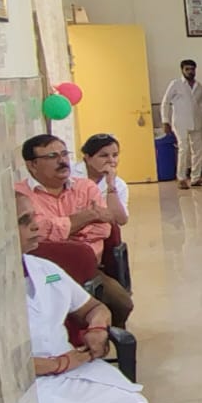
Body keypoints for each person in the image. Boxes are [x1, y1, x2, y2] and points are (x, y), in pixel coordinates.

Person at [16, 192, 190, 403]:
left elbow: (93, 307)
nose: (36, 226)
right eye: (23, 221)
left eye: (33, 216)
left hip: (71, 371)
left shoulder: (44, 270)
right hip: (21, 389)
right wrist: (58, 363)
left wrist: (96, 328)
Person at [18, 135, 133, 327]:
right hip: (44, 273)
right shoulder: (21, 196)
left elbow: (103, 229)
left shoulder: (85, 187)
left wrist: (62, 233)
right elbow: (39, 232)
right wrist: (86, 217)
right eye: (52, 156)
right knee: (44, 310)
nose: (62, 161)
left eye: (64, 154)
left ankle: (105, 335)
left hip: (86, 270)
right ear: (32, 165)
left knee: (122, 303)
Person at [160, 59, 202, 189]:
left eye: (192, 69)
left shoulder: (199, 86)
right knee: (183, 149)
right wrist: (165, 121)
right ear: (182, 70)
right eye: (187, 69)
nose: (190, 72)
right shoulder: (176, 84)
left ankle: (196, 178)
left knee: (198, 150)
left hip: (196, 121)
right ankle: (181, 178)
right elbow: (165, 102)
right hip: (180, 122)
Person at [72, 133, 129, 227]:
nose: (111, 160)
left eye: (115, 155)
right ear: (87, 158)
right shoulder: (70, 174)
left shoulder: (119, 184)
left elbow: (121, 220)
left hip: (99, 231)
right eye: (104, 155)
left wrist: (111, 185)